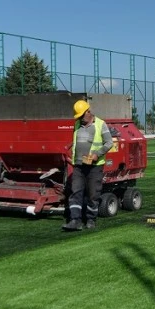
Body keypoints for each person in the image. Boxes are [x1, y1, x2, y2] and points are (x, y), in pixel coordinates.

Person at [62, 99, 113, 231]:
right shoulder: (77, 124)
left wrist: (97, 154)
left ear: (88, 112)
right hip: (79, 165)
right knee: (76, 192)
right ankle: (75, 220)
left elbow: (109, 143)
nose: (79, 119)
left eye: (81, 116)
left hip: (95, 166)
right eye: (78, 116)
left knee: (93, 194)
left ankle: (91, 219)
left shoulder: (101, 124)